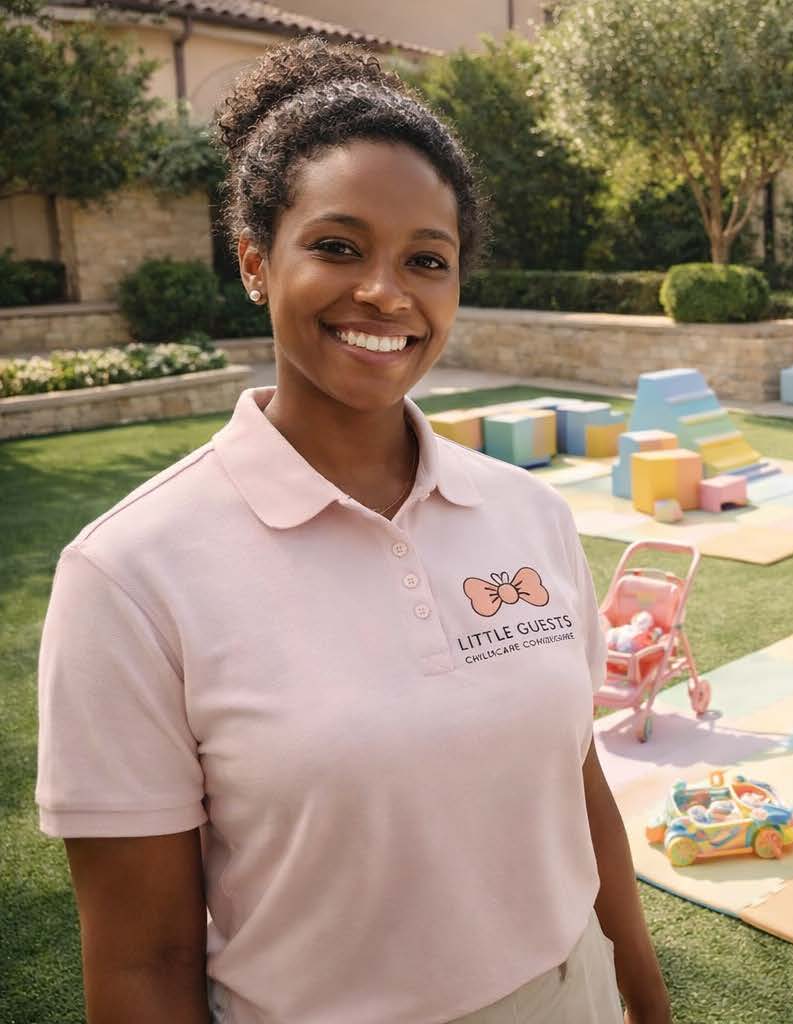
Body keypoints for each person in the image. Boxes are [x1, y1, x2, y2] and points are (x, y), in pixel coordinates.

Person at [34, 37, 670, 1024]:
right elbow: (141, 963)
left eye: (427, 259)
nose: (386, 291)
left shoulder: (532, 517)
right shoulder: (130, 575)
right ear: (255, 262)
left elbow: (577, 782)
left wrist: (641, 993)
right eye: (337, 247)